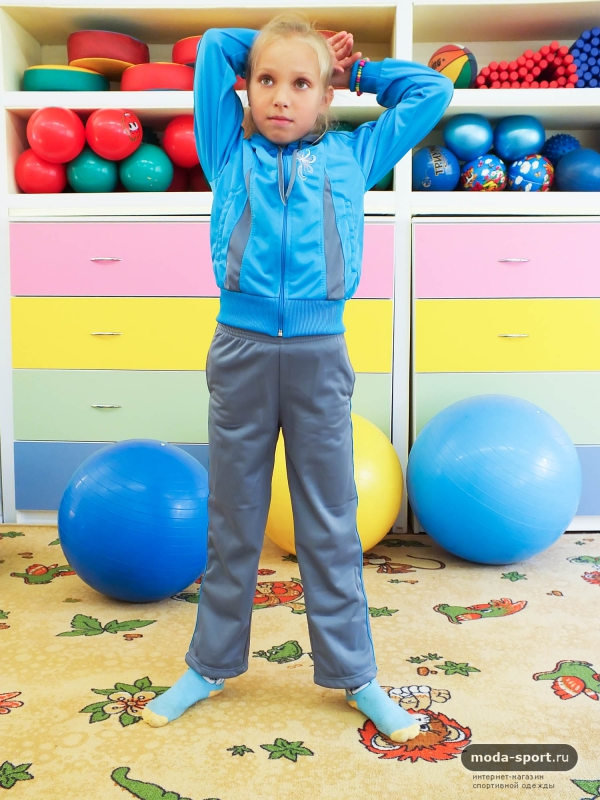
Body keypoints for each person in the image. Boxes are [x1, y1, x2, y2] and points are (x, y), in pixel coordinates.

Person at [142, 13, 453, 743]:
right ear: (247, 89)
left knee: (330, 524)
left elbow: (432, 92)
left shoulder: (355, 153)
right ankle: (210, 665)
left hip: (318, 357)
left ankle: (357, 677)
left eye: (302, 83)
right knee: (234, 519)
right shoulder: (227, 149)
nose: (281, 96)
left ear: (326, 96)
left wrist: (360, 70)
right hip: (241, 352)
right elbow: (214, 47)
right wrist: (278, 43)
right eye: (266, 80)